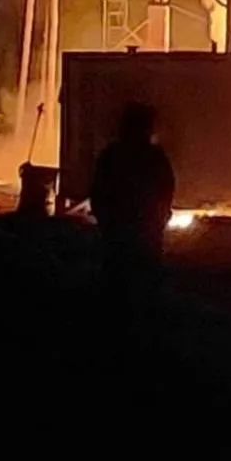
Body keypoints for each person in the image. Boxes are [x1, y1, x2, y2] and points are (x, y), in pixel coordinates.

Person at [89, 102, 176, 332]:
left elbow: (98, 192)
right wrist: (160, 218)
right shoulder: (154, 157)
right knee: (145, 284)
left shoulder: (111, 156)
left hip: (119, 232)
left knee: (118, 283)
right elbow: (166, 188)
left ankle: (116, 330)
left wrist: (105, 220)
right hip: (144, 233)